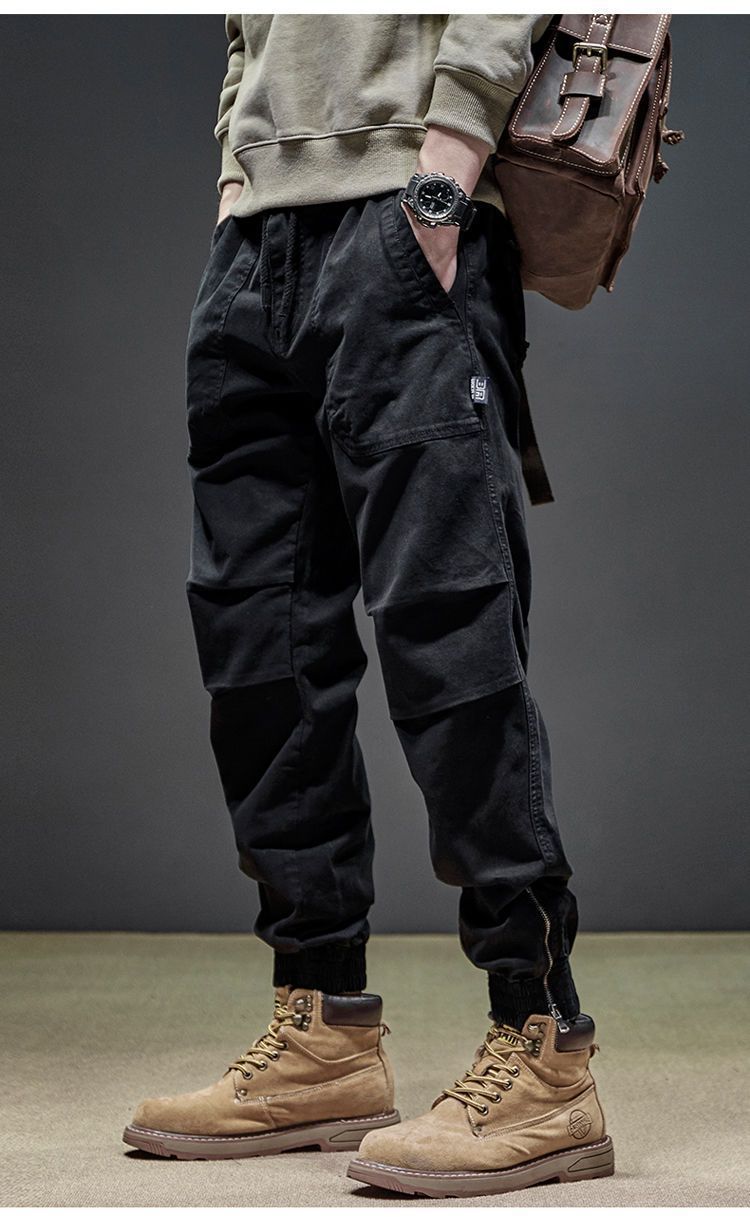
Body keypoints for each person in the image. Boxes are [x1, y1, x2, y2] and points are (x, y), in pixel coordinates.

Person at [123, 14, 614, 1197]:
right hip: (255, 244)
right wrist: (238, 170)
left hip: (405, 214)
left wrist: (445, 171)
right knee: (259, 649)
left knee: (451, 638)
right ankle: (323, 1032)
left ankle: (543, 1045)